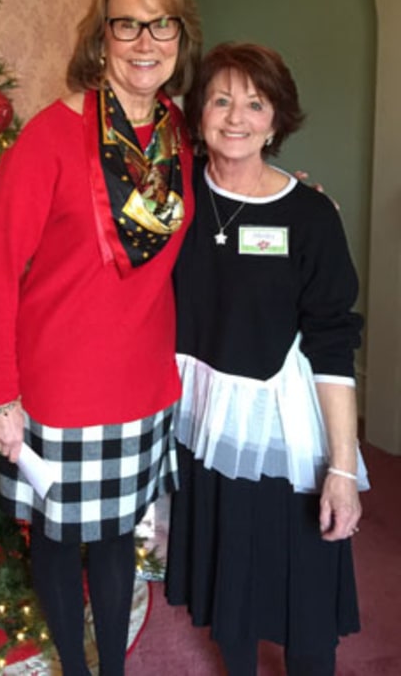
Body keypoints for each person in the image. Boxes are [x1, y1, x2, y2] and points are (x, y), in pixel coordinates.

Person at [0, 0, 202, 675]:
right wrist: (0, 396)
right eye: (127, 24)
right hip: (60, 388)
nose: (145, 41)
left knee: (114, 540)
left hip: (144, 381)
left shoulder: (176, 134)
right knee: (57, 540)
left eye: (160, 24)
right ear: (100, 38)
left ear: (180, 37)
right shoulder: (46, 138)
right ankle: (75, 665)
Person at [165, 42, 368, 676]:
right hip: (200, 425)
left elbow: (333, 346)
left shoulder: (310, 217)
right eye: (221, 100)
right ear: (198, 113)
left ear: (277, 120)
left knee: (303, 601)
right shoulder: (171, 200)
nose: (236, 117)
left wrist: (341, 469)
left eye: (255, 103)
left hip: (284, 431)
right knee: (229, 591)